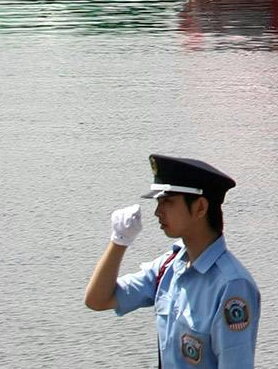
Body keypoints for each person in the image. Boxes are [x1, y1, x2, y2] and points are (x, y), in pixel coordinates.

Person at [83, 154, 261, 367]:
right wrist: (119, 241)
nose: (158, 212)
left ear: (200, 208)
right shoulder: (168, 267)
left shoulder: (232, 285)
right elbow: (98, 300)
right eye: (158, 202)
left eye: (167, 201)